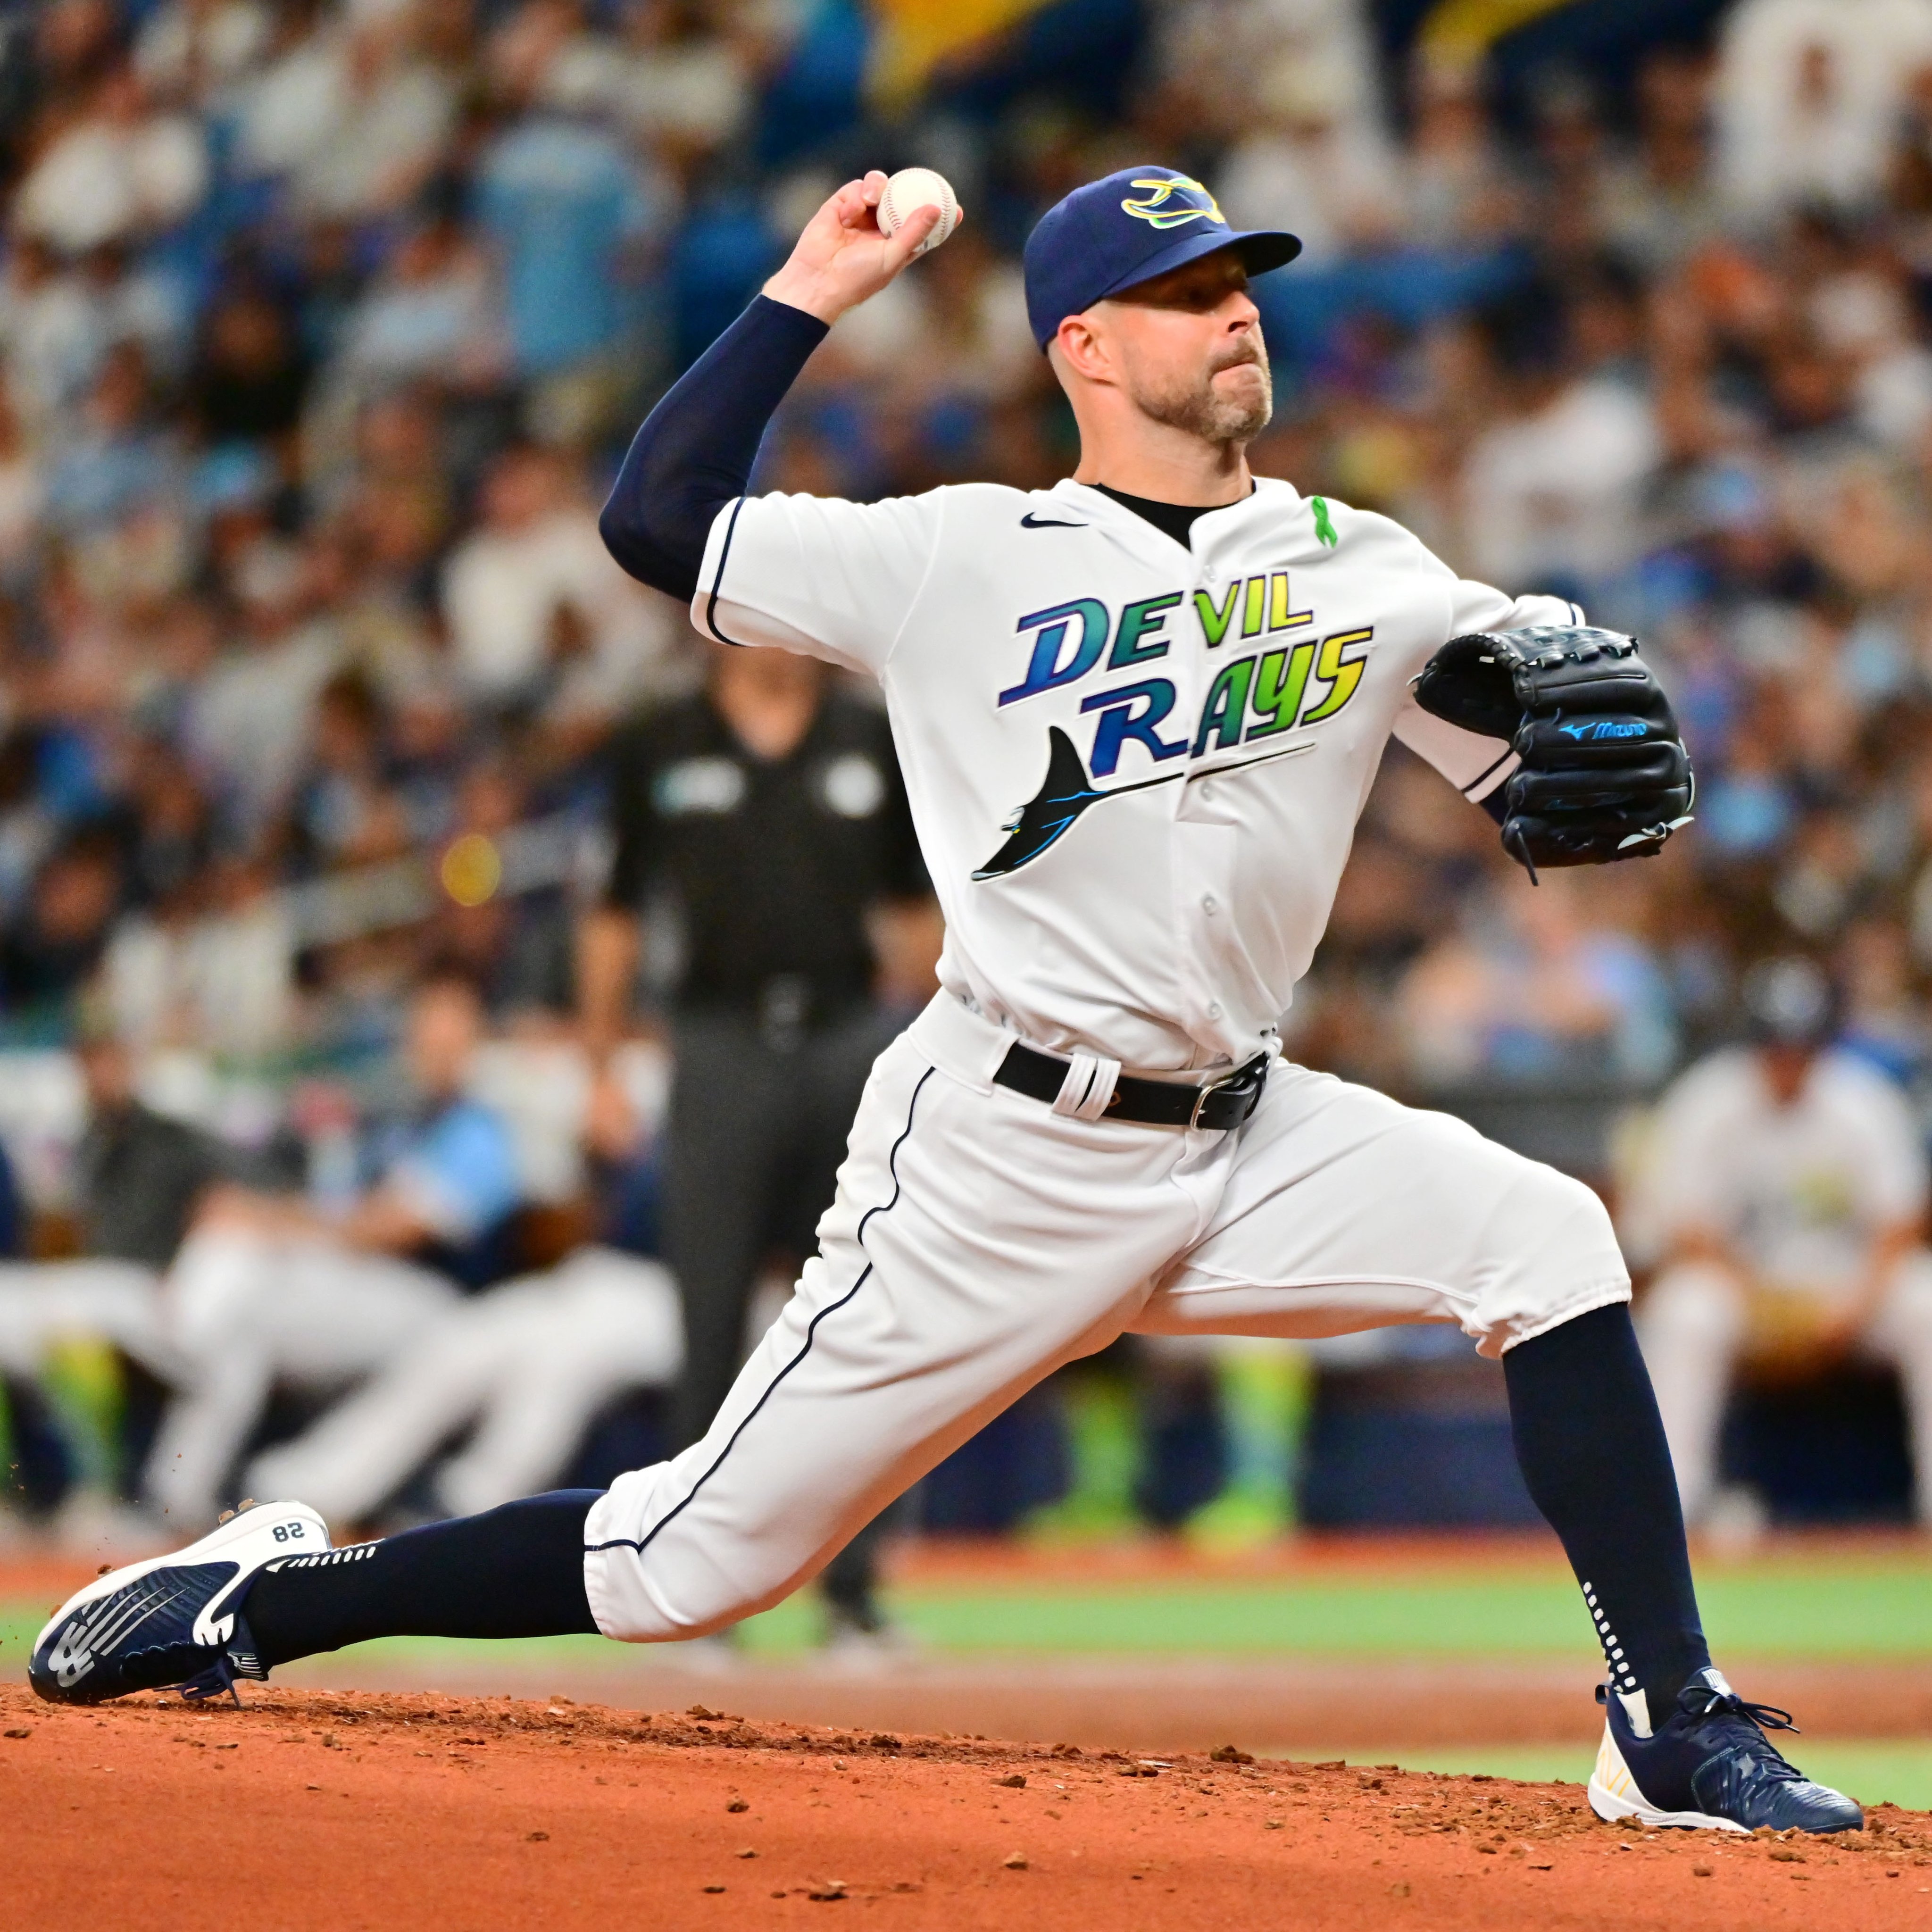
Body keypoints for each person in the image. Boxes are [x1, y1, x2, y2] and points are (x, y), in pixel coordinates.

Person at [33, 167, 1860, 1838]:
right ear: (1083, 345)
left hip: (1246, 1123)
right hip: (998, 1147)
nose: (1234, 314)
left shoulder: (1369, 570)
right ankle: (258, 1597)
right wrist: (809, 291)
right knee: (693, 1563)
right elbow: (662, 520)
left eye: (1241, 281)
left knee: (1545, 1235)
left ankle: (1667, 1715)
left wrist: (1570, 719)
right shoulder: (952, 558)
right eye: (1183, 290)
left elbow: (1543, 774)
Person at [578, 636, 933, 1644]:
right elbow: (613, 914)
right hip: (719, 1042)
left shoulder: (869, 736)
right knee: (709, 1315)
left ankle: (854, 1594)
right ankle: (687, 1594)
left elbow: (917, 914)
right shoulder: (661, 742)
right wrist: (599, 1068)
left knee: (862, 1316)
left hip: (844, 1039)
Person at [142, 974, 521, 1528]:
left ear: (475, 1046)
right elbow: (335, 1211)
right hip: (361, 1291)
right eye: (425, 1036)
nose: (434, 1050)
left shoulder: (482, 1132)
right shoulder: (400, 1122)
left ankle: (284, 1490)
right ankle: (177, 1497)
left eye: (449, 1039)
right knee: (241, 1316)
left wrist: (269, 1220)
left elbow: (387, 1231)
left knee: (243, 1266)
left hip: (442, 1305)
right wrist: (267, 1219)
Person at [1635, 956, 1932, 1529]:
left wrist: (1854, 1303)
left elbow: (1900, 1222)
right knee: (1685, 1310)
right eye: (1775, 1046)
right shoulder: (1708, 1101)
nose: (1787, 1061)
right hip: (1744, 1290)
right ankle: (1674, 1507)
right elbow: (1686, 1229)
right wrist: (1762, 1304)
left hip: (1846, 1290)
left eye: (1800, 1047)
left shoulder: (1862, 1100)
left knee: (1925, 1299)